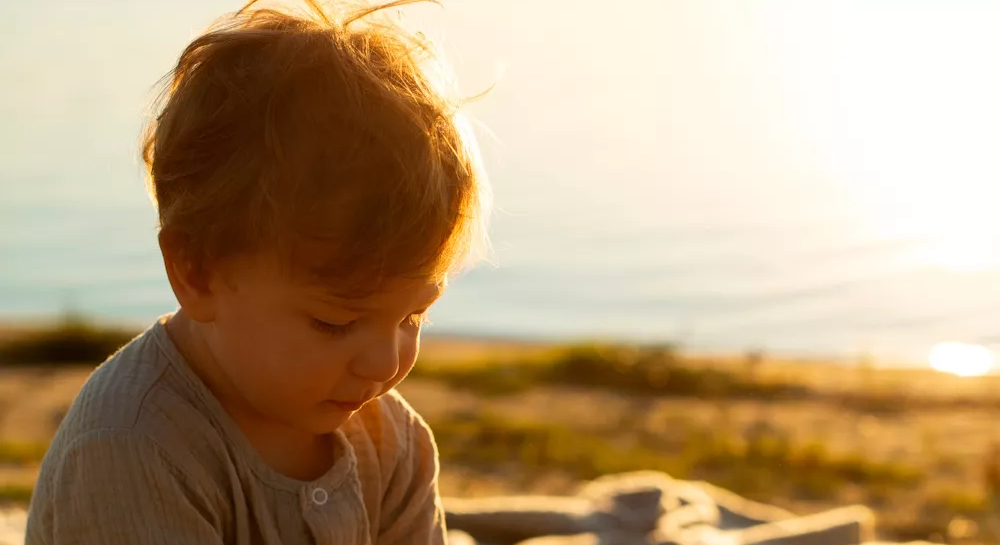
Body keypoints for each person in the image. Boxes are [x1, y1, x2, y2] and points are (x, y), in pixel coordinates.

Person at [25, 0, 491, 543]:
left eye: (414, 316)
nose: (386, 363)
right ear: (198, 271)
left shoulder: (394, 443)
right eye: (335, 323)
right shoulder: (132, 446)